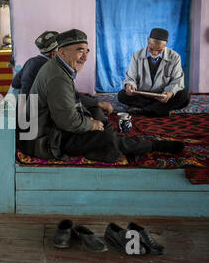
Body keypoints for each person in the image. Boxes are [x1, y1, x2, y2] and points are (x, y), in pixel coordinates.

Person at [25, 29, 184, 163]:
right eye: (80, 50)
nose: (85, 57)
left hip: (49, 127)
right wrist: (92, 125)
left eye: (86, 51)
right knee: (106, 134)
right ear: (62, 52)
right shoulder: (58, 77)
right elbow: (68, 121)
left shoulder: (59, 67)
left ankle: (106, 149)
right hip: (47, 139)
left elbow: (71, 100)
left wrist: (92, 117)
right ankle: (151, 146)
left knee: (98, 117)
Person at [12, 31, 113, 123]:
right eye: (63, 50)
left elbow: (15, 83)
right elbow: (70, 97)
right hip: (37, 119)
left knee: (88, 100)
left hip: (24, 111)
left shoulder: (31, 61)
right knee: (95, 112)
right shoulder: (53, 71)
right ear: (55, 53)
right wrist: (98, 103)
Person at [118, 28, 190, 117]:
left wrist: (169, 93)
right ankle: (159, 109)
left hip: (162, 97)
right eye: (151, 49)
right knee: (122, 95)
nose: (155, 53)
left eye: (159, 50)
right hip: (142, 94)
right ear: (148, 41)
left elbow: (177, 80)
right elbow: (130, 78)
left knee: (184, 96)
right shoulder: (137, 55)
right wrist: (130, 86)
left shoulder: (175, 57)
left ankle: (144, 109)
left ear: (166, 44)